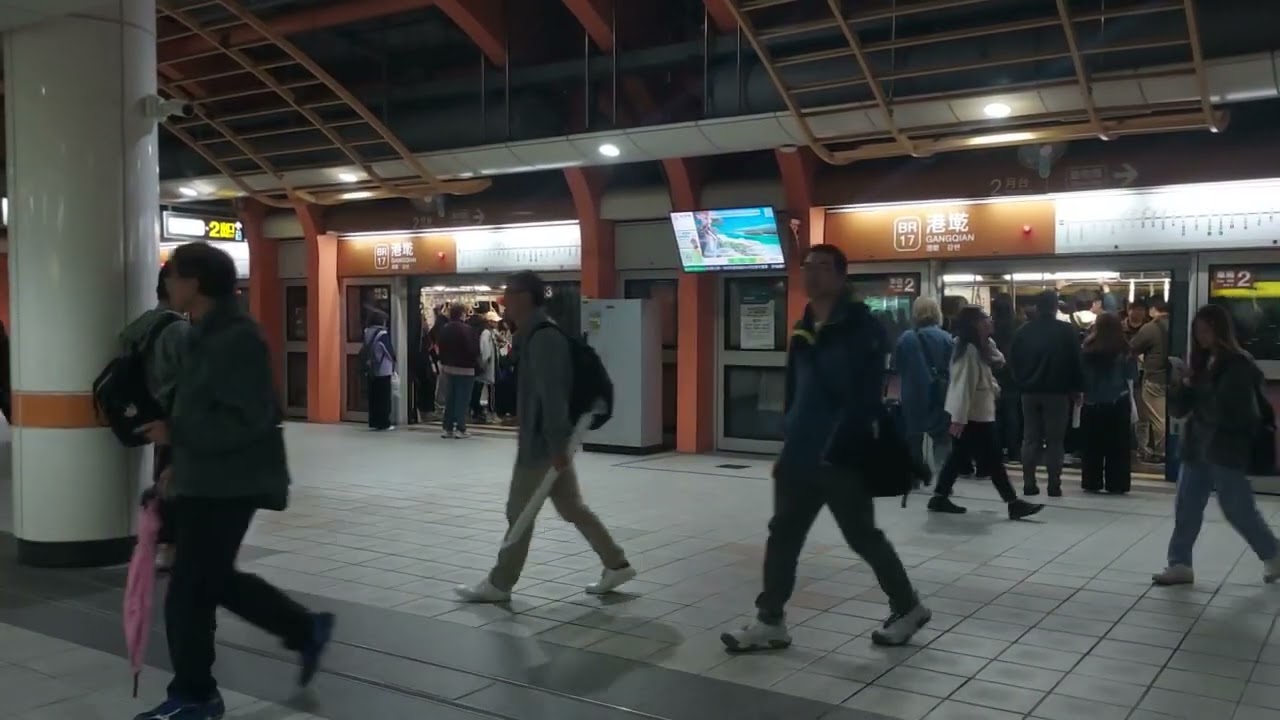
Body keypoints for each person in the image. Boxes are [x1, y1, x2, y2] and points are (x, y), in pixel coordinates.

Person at [136, 243, 332, 720]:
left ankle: (196, 696)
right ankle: (302, 629)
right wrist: (177, 464)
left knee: (190, 591)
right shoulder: (204, 332)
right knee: (210, 581)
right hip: (206, 477)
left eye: (173, 275)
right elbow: (202, 407)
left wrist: (177, 435)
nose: (167, 284)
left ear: (195, 283)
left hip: (232, 482)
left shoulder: (237, 338)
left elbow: (250, 420)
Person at [721, 245, 930, 652]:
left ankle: (908, 607)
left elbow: (865, 397)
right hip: (799, 454)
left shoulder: (861, 328)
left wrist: (837, 445)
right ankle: (769, 620)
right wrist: (789, 440)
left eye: (821, 267)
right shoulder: (804, 326)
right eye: (807, 267)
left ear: (840, 275)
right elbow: (795, 390)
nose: (811, 274)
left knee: (862, 536)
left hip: (841, 456)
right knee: (783, 535)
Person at [455, 271, 635, 603]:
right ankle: (616, 563)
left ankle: (499, 584)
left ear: (525, 297)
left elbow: (554, 398)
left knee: (519, 513)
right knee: (572, 508)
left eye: (509, 293)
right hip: (547, 443)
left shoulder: (543, 338)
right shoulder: (533, 335)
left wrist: (556, 446)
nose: (504, 301)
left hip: (542, 446)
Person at [1152, 304, 1280, 586]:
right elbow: (1180, 410)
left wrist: (1197, 386)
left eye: (1207, 330)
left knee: (1237, 508)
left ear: (1220, 330)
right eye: (1198, 331)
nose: (1202, 337)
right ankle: (1179, 563)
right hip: (1197, 446)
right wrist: (1182, 384)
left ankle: (1272, 553)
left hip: (1225, 448)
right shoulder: (1201, 361)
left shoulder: (1238, 364)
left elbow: (1235, 411)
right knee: (1186, 506)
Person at [929, 306, 1044, 520]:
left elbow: (995, 364)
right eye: (985, 319)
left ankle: (939, 496)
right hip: (974, 415)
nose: (990, 321)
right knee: (992, 460)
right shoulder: (969, 351)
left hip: (976, 414)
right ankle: (1013, 503)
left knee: (960, 457)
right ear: (974, 324)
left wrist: (988, 345)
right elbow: (963, 386)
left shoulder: (979, 347)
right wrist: (959, 418)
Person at [120, 263, 190, 571]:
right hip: (174, 413)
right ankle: (173, 547)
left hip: (148, 409)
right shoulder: (179, 331)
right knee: (175, 477)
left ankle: (165, 543)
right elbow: (190, 379)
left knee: (163, 472)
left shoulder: (140, 325)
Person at [1011, 290, 1083, 497]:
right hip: (1057, 393)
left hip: (1029, 393)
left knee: (1030, 438)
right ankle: (1054, 485)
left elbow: (1013, 361)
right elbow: (1076, 362)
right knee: (1055, 441)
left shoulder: (1023, 331)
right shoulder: (1067, 331)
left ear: (1037, 307)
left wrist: (1021, 383)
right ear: (1055, 306)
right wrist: (1077, 388)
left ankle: (1029, 483)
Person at [893, 297, 955, 481]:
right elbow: (953, 368)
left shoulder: (906, 338)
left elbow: (897, 366)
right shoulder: (946, 338)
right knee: (942, 439)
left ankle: (915, 478)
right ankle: (943, 480)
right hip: (940, 395)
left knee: (913, 438)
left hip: (912, 395)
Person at [1079, 313, 1137, 494]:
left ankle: (1091, 481)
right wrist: (1133, 405)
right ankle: (1117, 483)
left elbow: (1081, 377)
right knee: (1118, 447)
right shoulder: (1125, 349)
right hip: (1118, 402)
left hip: (1091, 403)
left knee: (1092, 447)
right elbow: (1131, 377)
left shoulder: (1087, 348)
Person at [1132, 297, 1171, 462]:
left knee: (1157, 418)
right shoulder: (1178, 323)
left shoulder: (1151, 327)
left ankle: (1161, 452)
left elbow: (1132, 347)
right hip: (1174, 377)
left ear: (1153, 309)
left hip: (1155, 377)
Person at [436, 303, 480, 439]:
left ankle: (447, 428)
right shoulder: (468, 330)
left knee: (450, 399)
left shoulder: (444, 329)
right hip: (466, 369)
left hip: (448, 368)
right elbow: (474, 350)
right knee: (463, 399)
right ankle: (461, 428)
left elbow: (440, 347)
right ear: (462, 314)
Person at [991, 293, 1021, 463]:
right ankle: (1013, 451)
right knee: (1012, 414)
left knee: (995, 415)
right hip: (1013, 375)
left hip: (994, 374)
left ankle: (996, 449)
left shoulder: (990, 328)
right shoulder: (1018, 327)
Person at [360, 309, 395, 431]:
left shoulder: (367, 332)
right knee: (384, 398)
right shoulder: (382, 334)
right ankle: (384, 422)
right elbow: (388, 352)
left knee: (373, 397)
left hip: (371, 369)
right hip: (383, 369)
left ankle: (374, 421)